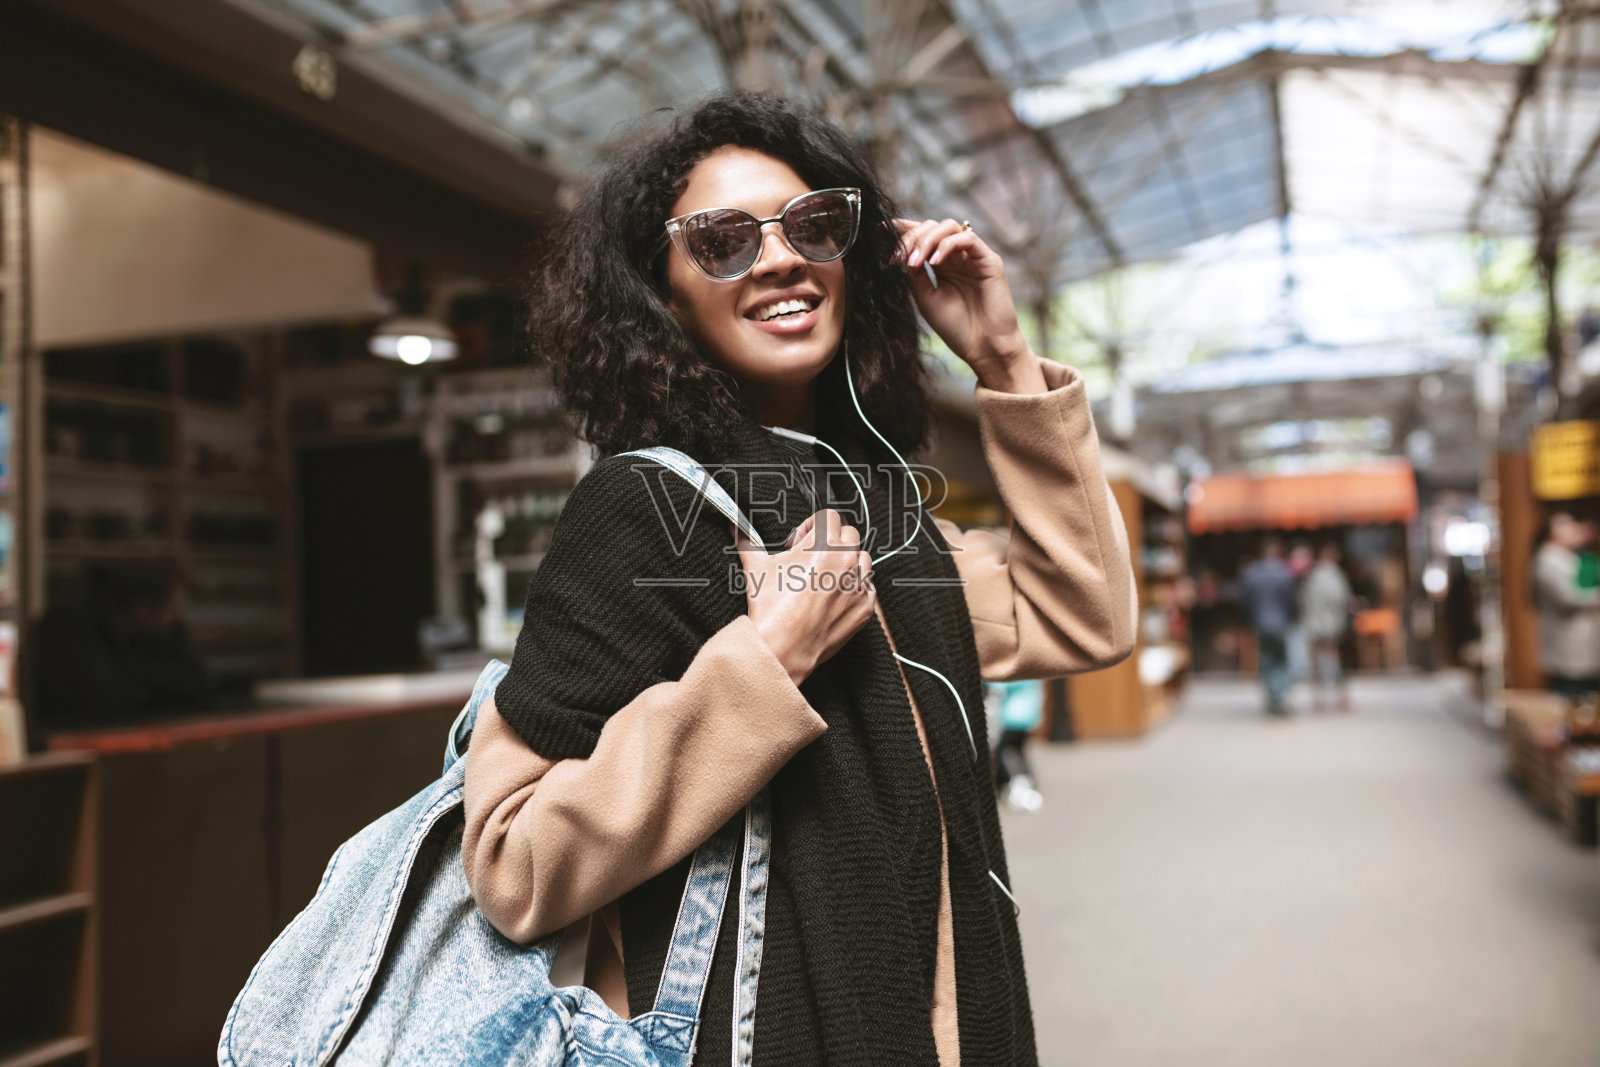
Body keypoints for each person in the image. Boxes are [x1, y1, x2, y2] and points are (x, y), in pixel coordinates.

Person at [459, 92, 1136, 1066]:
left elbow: (1082, 611)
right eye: (723, 240)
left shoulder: (870, 503)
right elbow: (514, 861)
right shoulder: (642, 510)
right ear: (662, 288)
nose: (778, 257)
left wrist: (1000, 357)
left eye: (810, 224)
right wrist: (763, 661)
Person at [33, 560, 210, 730]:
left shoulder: (164, 633)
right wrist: (155, 685)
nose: (177, 618)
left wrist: (135, 674)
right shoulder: (68, 628)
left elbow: (197, 684)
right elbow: (109, 700)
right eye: (171, 610)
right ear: (141, 610)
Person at [1533, 511, 1600, 700]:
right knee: (1572, 699)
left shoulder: (1572, 557)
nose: (1573, 528)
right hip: (1570, 647)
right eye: (1564, 524)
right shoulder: (1549, 561)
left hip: (1584, 643)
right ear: (1550, 533)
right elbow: (1570, 598)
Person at [1239, 537, 1299, 716]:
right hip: (1281, 624)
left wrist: (1249, 620)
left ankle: (1271, 697)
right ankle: (1279, 697)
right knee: (1281, 661)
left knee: (1266, 660)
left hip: (1260, 624)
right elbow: (1292, 601)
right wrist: (1293, 619)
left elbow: (1244, 600)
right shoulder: (1284, 574)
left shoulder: (1252, 574)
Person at [1300, 542, 1354, 712]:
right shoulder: (1334, 575)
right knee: (1334, 661)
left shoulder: (1312, 575)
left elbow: (1304, 600)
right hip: (1331, 625)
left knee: (1316, 663)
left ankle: (1319, 698)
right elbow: (1340, 599)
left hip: (1313, 624)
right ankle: (1340, 697)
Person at [990, 679, 1045, 812]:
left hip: (1013, 718)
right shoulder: (1032, 676)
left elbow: (998, 684)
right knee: (1019, 750)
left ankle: (1011, 783)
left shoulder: (1016, 676)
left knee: (1001, 751)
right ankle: (1028, 782)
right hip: (1027, 718)